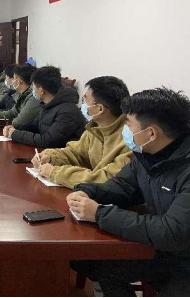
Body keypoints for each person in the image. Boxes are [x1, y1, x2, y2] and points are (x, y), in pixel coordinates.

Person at [68, 88, 190, 296]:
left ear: (151, 133)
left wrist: (99, 214)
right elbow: (122, 187)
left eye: (129, 124)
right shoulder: (146, 155)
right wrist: (86, 192)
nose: (125, 130)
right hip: (162, 251)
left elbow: (172, 232)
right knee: (96, 264)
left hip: (183, 261)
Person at [32, 76, 132, 189]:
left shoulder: (130, 138)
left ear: (100, 108)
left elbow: (108, 179)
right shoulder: (96, 127)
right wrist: (51, 157)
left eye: (86, 100)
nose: (82, 104)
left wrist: (56, 173)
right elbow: (76, 153)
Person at [5, 66, 85, 148]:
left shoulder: (67, 112)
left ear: (41, 91)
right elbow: (35, 127)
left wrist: (16, 134)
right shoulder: (48, 104)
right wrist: (16, 128)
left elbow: (48, 141)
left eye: (33, 86)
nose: (32, 89)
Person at [0, 63, 40, 128]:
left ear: (19, 81)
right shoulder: (22, 94)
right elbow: (13, 112)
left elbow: (19, 122)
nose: (12, 81)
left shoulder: (33, 97)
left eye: (13, 78)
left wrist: (5, 122)